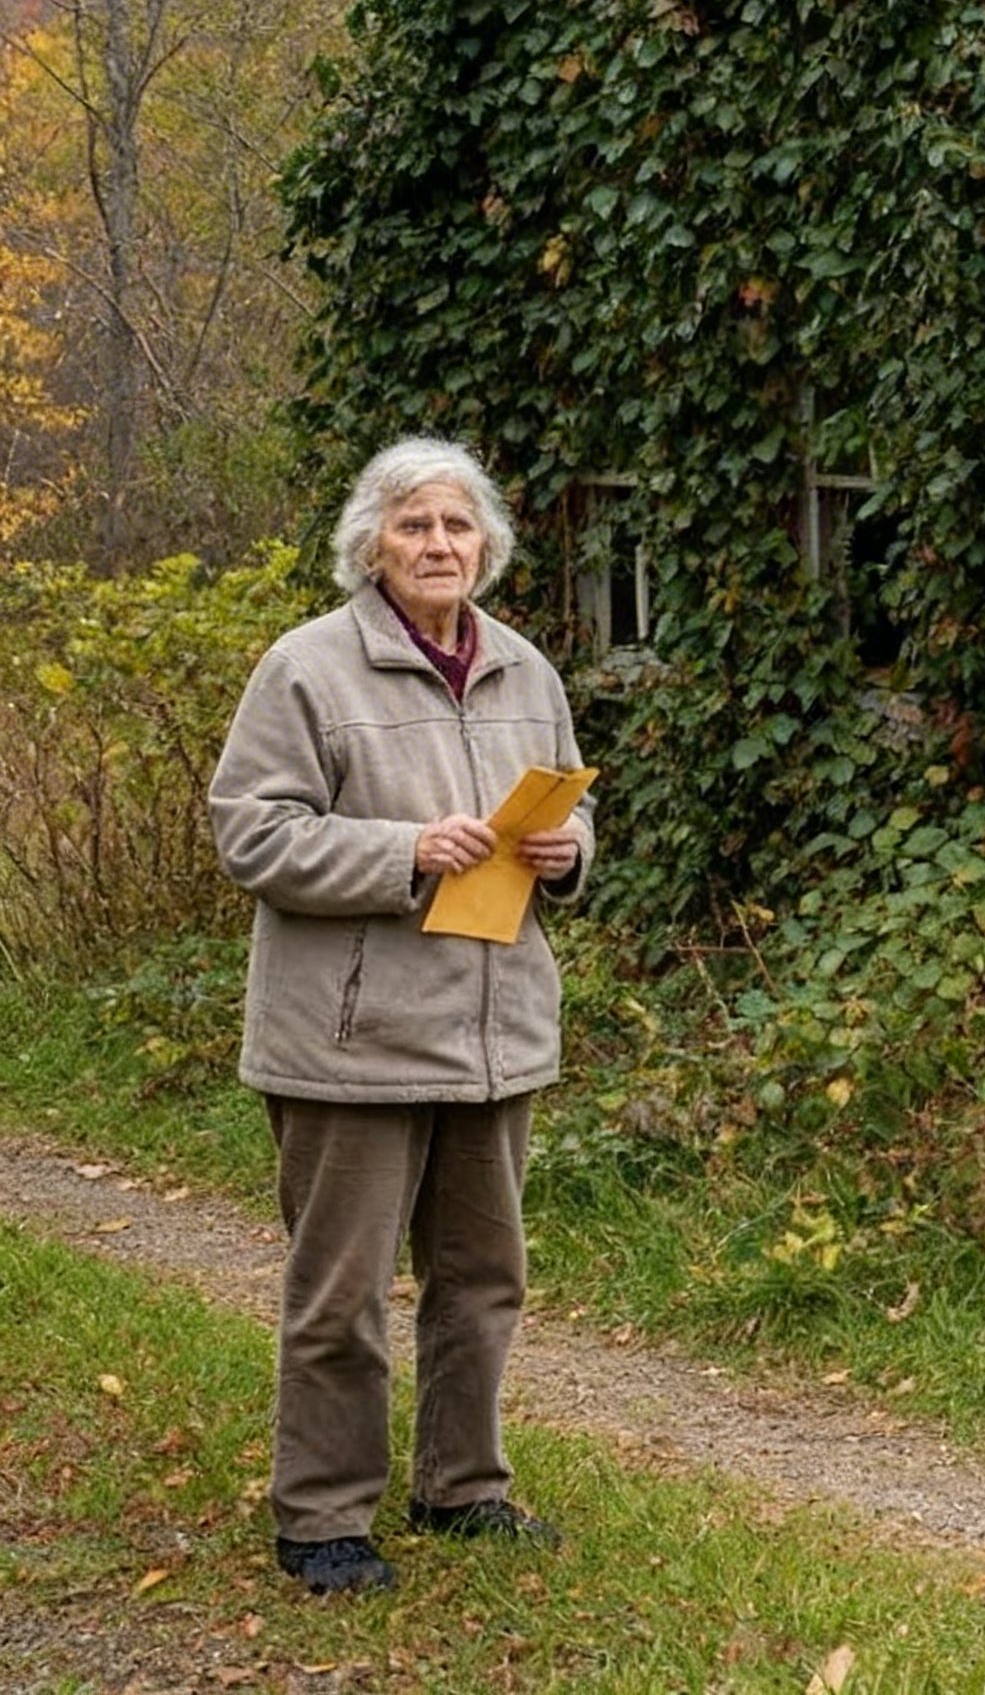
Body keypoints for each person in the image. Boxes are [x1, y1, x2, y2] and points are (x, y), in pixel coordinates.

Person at [209, 437, 595, 1595]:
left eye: (458, 527)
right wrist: (404, 850)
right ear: (371, 544)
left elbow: (569, 818)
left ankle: (463, 1489)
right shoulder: (307, 669)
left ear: (488, 546)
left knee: (484, 1282)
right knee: (344, 1292)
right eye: (415, 526)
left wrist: (571, 854)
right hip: (350, 1041)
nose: (439, 546)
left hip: (494, 1033)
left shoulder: (527, 669)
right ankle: (323, 1516)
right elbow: (252, 833)